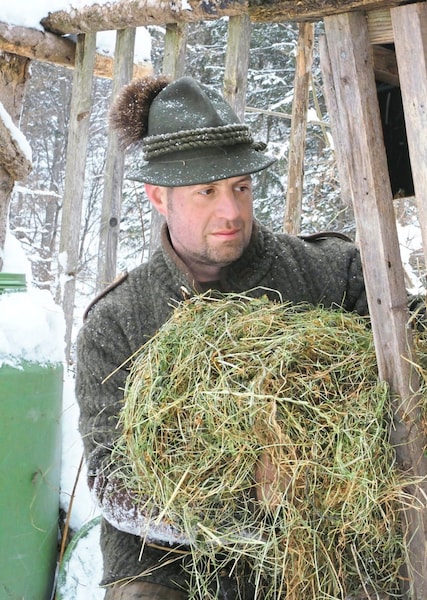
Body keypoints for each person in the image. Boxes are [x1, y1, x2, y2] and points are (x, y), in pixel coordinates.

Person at [75, 75, 369, 599]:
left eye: (241, 187)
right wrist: (240, 505)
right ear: (158, 197)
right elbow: (110, 481)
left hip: (317, 547)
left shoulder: (328, 274)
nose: (230, 211)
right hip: (167, 563)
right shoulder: (117, 322)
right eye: (206, 192)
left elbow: (412, 357)